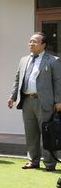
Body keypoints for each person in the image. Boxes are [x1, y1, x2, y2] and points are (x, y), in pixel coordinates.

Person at [8, 32, 61, 171]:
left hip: (45, 102)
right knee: (30, 133)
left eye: (35, 42)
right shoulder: (24, 60)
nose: (31, 44)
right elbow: (17, 79)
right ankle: (33, 160)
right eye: (30, 41)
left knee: (47, 133)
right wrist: (12, 97)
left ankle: (50, 163)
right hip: (27, 101)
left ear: (43, 45)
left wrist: (58, 101)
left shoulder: (53, 60)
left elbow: (58, 82)